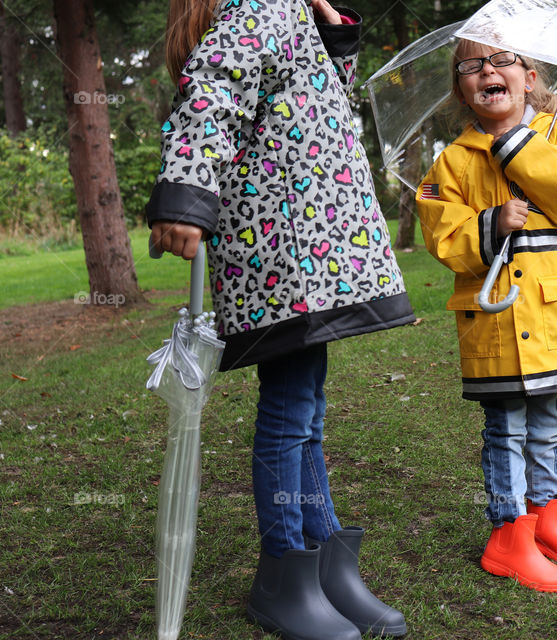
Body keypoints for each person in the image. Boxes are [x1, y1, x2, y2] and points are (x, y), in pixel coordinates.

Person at [146, 1, 412, 637]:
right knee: (291, 410)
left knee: (308, 411)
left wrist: (334, 37)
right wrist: (185, 194)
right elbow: (213, 94)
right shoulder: (259, 9)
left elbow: (316, 105)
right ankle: (283, 573)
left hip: (310, 249)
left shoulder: (289, 14)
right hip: (284, 253)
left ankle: (323, 564)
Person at [416, 40, 557, 593]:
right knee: (506, 429)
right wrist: (493, 221)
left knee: (549, 425)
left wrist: (518, 147)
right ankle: (509, 535)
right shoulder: (451, 162)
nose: (487, 73)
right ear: (461, 89)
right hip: (497, 324)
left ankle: (547, 522)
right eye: (471, 67)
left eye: (501, 62)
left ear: (529, 78)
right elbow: (442, 234)